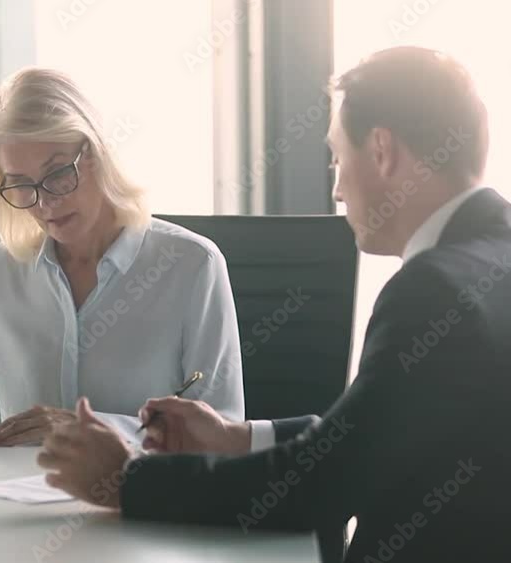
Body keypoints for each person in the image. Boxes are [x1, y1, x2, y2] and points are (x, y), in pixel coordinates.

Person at [38, 47, 511, 563]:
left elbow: (322, 486)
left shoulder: (433, 289)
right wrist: (237, 439)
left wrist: (125, 481)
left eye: (337, 157)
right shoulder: (490, 263)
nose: (336, 189)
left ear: (381, 151)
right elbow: (375, 438)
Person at [0, 68, 245, 447]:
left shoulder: (192, 265)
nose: (45, 201)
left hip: (143, 506)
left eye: (57, 173)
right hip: (21, 503)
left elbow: (221, 428)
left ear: (96, 155)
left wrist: (87, 427)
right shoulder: (7, 270)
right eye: (21, 184)